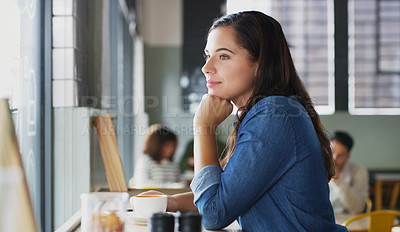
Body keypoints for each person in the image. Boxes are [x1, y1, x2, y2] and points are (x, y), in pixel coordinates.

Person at [143, 11, 347, 231]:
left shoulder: (274, 115)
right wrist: (169, 202)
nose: (206, 68)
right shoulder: (266, 114)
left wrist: (203, 126)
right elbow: (226, 195)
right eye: (207, 55)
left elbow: (213, 214)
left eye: (223, 56)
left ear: (259, 64)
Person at [132, 124, 184, 188]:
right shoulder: (145, 160)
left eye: (173, 145)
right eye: (167, 146)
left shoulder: (173, 164)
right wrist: (171, 186)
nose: (171, 149)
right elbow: (142, 183)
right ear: (156, 145)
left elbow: (180, 183)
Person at [329, 131, 369, 214]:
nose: (334, 158)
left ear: (347, 156)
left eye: (340, 155)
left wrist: (338, 181)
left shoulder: (358, 170)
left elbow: (359, 207)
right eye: (331, 151)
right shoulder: (317, 169)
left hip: (350, 220)